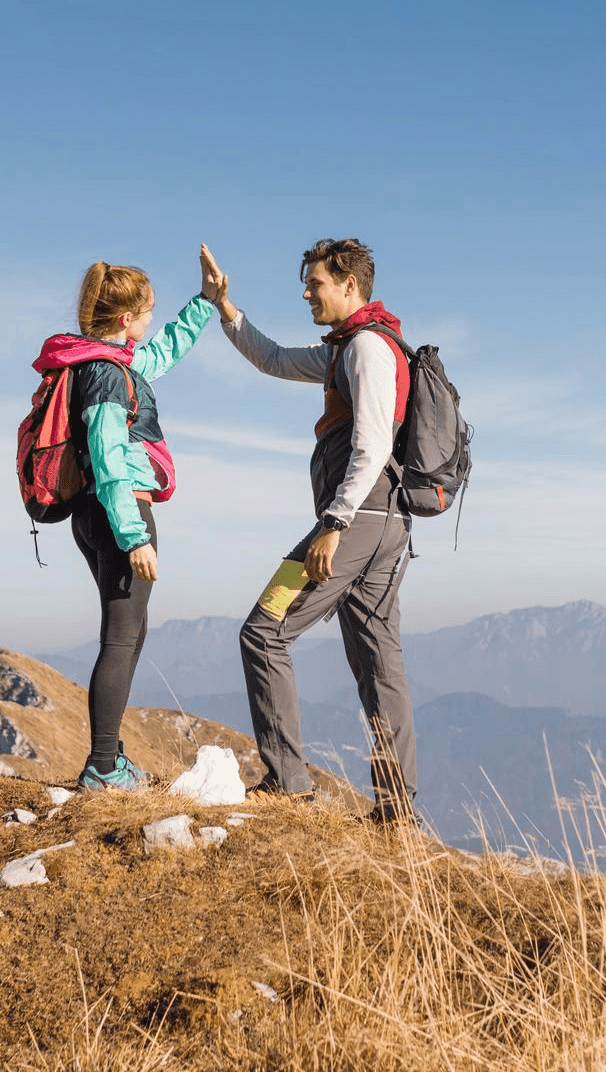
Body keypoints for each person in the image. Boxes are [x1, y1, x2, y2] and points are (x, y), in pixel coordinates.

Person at [201, 239, 418, 823]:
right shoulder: (346, 349)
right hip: (384, 524)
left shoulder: (367, 350)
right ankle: (397, 815)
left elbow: (372, 443)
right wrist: (225, 308)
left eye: (315, 283)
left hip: (357, 521)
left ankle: (289, 783)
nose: (305, 292)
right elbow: (272, 358)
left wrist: (333, 524)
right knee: (379, 663)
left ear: (349, 284)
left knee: (262, 630)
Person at [32, 250, 223, 791]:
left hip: (97, 514)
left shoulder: (103, 364)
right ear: (125, 320)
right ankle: (102, 766)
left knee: (129, 632)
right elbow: (110, 455)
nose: (150, 322)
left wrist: (204, 303)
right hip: (120, 512)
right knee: (120, 637)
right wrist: (134, 535)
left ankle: (110, 759)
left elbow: (161, 352)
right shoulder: (106, 377)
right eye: (148, 312)